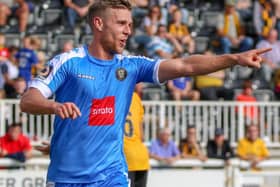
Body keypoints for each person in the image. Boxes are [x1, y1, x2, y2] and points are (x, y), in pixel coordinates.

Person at [19, 0, 270, 186]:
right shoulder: (69, 62)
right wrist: (53, 107)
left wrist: (234, 58)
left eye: (130, 24)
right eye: (121, 23)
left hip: (111, 175)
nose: (128, 30)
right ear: (98, 23)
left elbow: (186, 65)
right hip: (65, 177)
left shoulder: (132, 65)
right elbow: (28, 100)